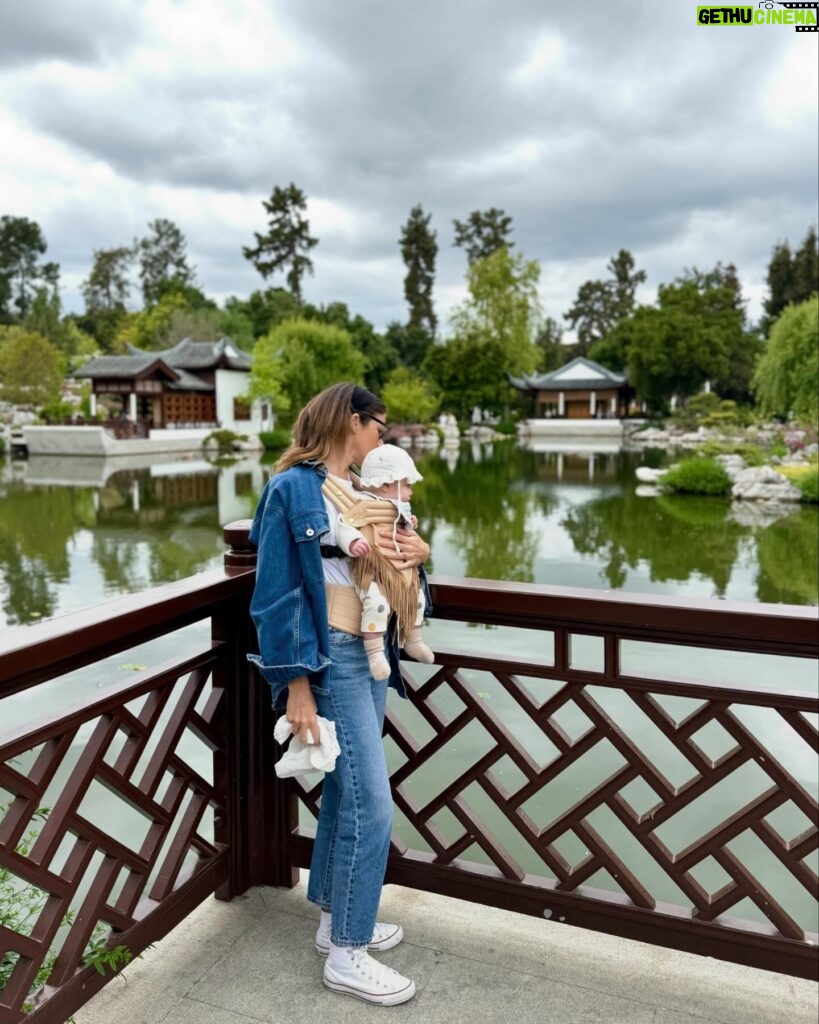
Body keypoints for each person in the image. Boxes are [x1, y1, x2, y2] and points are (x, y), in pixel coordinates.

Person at [247, 382, 431, 1006]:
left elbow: (394, 571)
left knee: (347, 798)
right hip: (331, 659)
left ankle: (334, 924)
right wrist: (294, 683)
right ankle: (349, 956)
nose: (383, 438)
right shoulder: (293, 489)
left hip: (365, 654)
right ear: (353, 421)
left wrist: (420, 553)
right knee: (370, 808)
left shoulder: (356, 489)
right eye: (379, 427)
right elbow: (273, 594)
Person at [325, 444, 434, 680]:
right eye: (406, 485)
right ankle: (374, 653)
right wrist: (353, 542)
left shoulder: (397, 508)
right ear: (386, 485)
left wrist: (410, 523)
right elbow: (344, 525)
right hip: (371, 571)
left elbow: (403, 529)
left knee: (417, 598)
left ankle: (414, 640)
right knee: (376, 603)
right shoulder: (362, 504)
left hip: (397, 572)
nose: (410, 492)